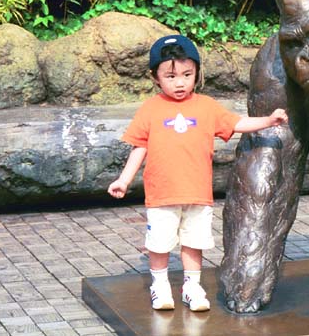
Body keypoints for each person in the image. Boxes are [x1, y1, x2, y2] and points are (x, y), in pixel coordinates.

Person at [107, 34, 288, 312]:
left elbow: (237, 123)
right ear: (155, 78)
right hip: (161, 196)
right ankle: (160, 285)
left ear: (197, 73)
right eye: (170, 76)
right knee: (159, 244)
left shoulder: (206, 107)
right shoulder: (150, 109)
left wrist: (269, 120)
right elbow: (139, 147)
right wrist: (124, 179)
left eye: (187, 74)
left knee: (194, 243)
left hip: (197, 194)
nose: (179, 82)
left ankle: (191, 287)